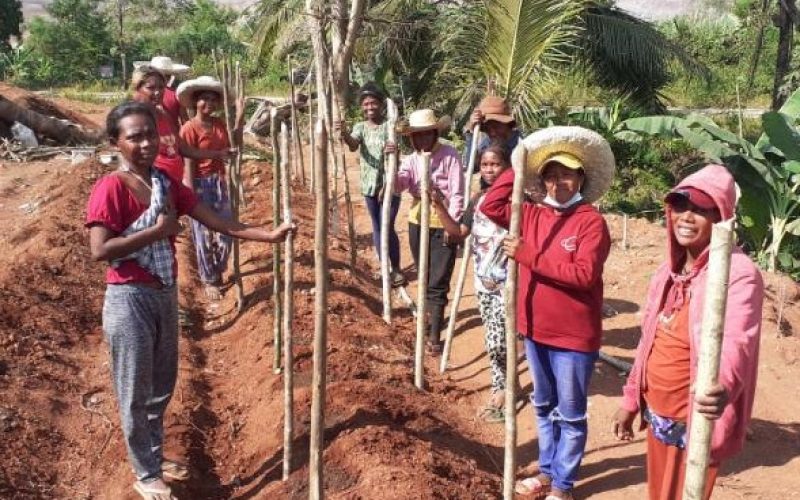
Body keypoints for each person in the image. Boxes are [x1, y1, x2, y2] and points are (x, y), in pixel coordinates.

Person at [86, 101, 295, 500]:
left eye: (149, 133)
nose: (145, 143)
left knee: (162, 385)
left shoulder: (164, 184)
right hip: (129, 299)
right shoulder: (111, 188)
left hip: (164, 294)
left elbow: (214, 218)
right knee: (134, 391)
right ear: (116, 142)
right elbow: (101, 250)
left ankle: (154, 453)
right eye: (134, 137)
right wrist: (159, 230)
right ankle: (145, 474)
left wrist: (268, 235)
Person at [612, 164, 764, 500]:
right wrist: (631, 398)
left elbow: (738, 341)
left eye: (700, 210)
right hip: (659, 412)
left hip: (695, 417)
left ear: (720, 216)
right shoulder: (669, 270)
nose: (686, 216)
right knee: (659, 494)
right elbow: (648, 340)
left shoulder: (738, 274)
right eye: (681, 206)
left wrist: (721, 386)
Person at [481, 126, 615, 500]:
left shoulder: (590, 222)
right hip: (535, 329)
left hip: (573, 337)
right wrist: (516, 163)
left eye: (567, 174)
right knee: (543, 406)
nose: (559, 182)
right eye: (552, 174)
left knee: (570, 413)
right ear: (541, 180)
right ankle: (546, 470)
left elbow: (583, 275)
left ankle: (563, 485)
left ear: (581, 179)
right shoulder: (532, 215)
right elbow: (492, 206)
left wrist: (528, 256)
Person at [431, 143, 511, 422]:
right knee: (493, 340)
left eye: (495, 164)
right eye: (485, 164)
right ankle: (501, 385)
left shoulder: (518, 200)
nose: (489, 169)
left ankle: (507, 389)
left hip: (510, 283)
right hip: (483, 283)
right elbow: (458, 233)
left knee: (507, 339)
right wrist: (439, 205)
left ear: (507, 167)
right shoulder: (477, 200)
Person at [394, 108, 465, 354]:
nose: (422, 140)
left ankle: (434, 337)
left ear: (435, 133)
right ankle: (428, 321)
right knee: (423, 274)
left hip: (442, 220)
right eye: (417, 136)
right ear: (411, 138)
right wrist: (392, 166)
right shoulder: (411, 158)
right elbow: (400, 184)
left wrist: (452, 224)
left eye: (427, 135)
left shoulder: (449, 155)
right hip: (418, 220)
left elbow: (457, 193)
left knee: (438, 279)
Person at [176, 76, 242, 300]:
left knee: (226, 233)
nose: (209, 104)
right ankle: (208, 279)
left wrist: (240, 116)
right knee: (202, 234)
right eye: (204, 99)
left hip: (219, 182)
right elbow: (188, 161)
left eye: (213, 100)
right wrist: (191, 191)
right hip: (199, 183)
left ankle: (218, 268)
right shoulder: (189, 128)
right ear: (195, 102)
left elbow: (233, 144)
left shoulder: (219, 124)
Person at [337, 82, 404, 286]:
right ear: (361, 107)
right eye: (365, 104)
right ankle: (385, 268)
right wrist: (345, 133)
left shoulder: (389, 127)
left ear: (381, 104)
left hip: (389, 185)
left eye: (373, 103)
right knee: (377, 226)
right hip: (368, 186)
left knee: (388, 226)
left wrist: (388, 182)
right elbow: (353, 145)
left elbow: (397, 158)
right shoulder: (360, 128)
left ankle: (396, 268)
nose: (369, 108)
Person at [130, 66, 227, 184]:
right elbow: (130, 157)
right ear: (136, 89)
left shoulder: (162, 114)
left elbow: (183, 149)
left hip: (172, 183)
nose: (158, 92)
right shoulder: (133, 120)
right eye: (150, 88)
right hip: (153, 185)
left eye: (161, 87)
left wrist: (218, 154)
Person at [463, 96, 522, 176]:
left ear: (507, 124)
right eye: (487, 128)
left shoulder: (521, 143)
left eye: (496, 127)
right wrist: (470, 134)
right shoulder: (488, 142)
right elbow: (473, 168)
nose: (492, 133)